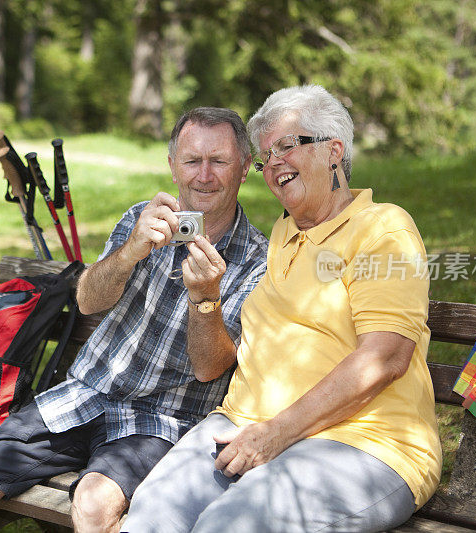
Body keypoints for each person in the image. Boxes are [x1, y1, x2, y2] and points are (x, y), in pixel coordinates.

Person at [0, 107, 269, 533]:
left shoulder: (258, 259)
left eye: (219, 161)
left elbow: (209, 367)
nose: (204, 175)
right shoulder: (142, 218)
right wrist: (131, 250)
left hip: (160, 418)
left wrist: (204, 297)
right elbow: (87, 301)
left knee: (92, 506)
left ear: (245, 168)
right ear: (172, 166)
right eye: (191, 161)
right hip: (85, 392)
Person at [122, 85, 442, 533]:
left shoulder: (382, 228)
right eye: (265, 155)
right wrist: (204, 296)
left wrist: (276, 433)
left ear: (334, 152)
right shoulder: (282, 233)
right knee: (150, 516)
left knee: (229, 526)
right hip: (240, 426)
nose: (273, 164)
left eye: (287, 147)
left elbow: (384, 357)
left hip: (364, 443)